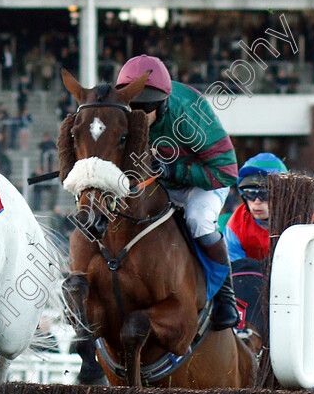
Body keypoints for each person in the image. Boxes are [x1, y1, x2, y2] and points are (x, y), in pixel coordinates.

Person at [116, 54, 240, 331]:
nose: (135, 115)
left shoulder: (190, 116)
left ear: (161, 105)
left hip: (206, 182)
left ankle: (225, 296)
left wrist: (175, 171)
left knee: (198, 220)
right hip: (162, 183)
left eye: (143, 107)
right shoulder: (122, 114)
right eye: (130, 106)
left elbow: (227, 171)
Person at [224, 153, 288, 262]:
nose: (257, 202)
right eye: (250, 194)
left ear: (281, 196)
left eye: (265, 194)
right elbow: (235, 270)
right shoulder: (236, 226)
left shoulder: (297, 222)